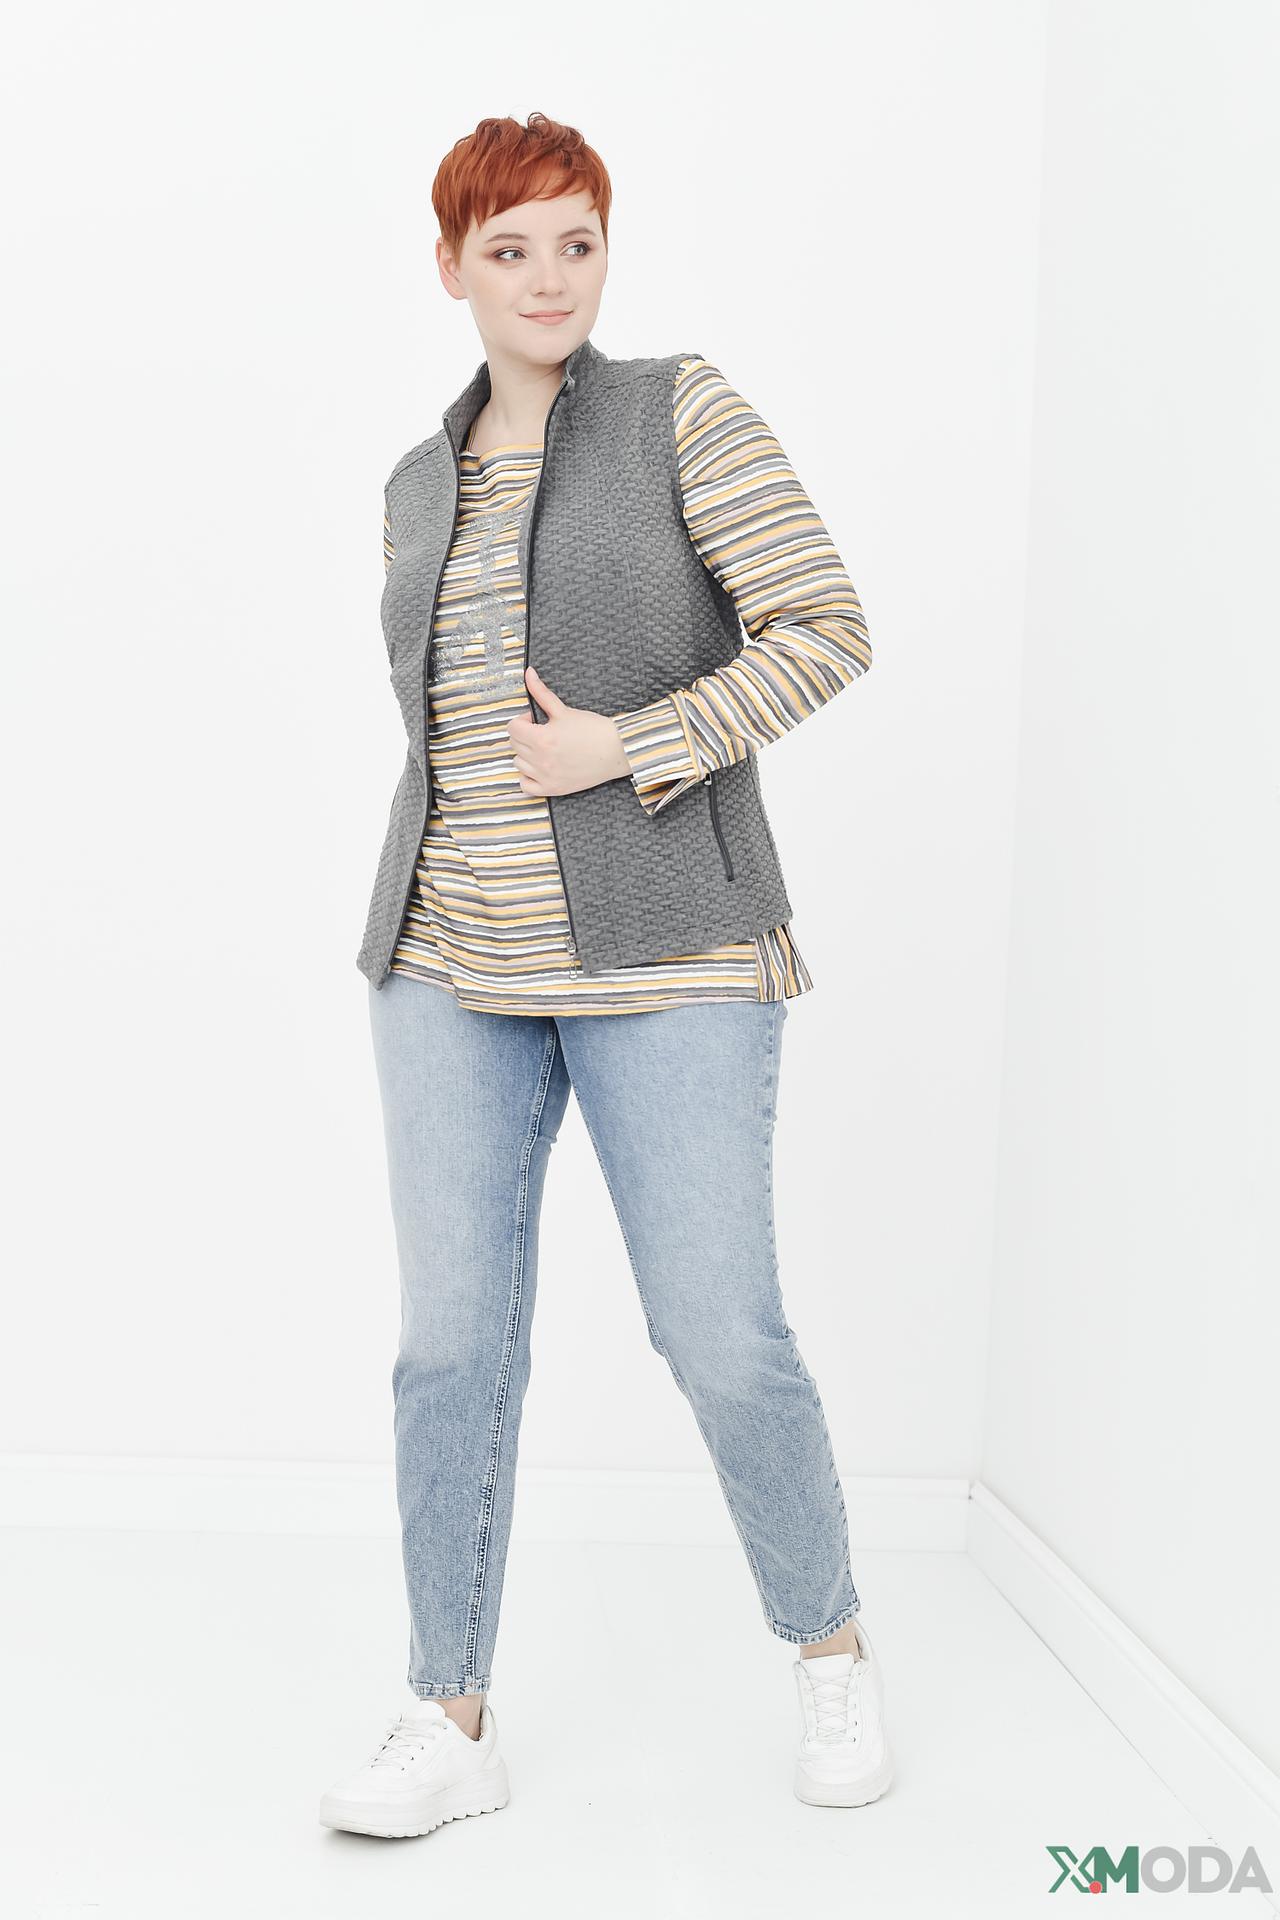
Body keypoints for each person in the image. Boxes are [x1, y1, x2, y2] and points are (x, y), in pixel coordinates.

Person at [320, 111, 893, 1842]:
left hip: (673, 956)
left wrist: (633, 743)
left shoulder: (679, 411)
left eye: (576, 242)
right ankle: (450, 1712)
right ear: (451, 268)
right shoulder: (415, 482)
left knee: (720, 1335)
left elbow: (828, 628)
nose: (549, 278)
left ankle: (829, 1645)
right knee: (448, 1352)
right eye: (510, 249)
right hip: (447, 964)